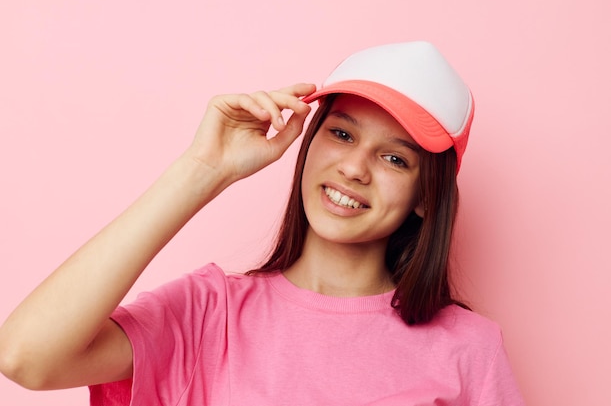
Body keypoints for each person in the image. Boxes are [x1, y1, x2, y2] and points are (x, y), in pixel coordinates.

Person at [0, 41, 525, 405]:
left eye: (395, 159)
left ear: (425, 198)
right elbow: (27, 358)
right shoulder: (210, 313)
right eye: (341, 134)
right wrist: (202, 171)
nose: (353, 168)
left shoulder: (469, 348)